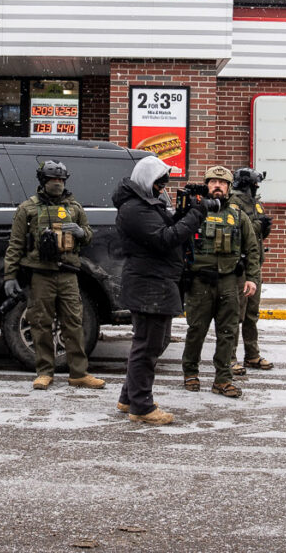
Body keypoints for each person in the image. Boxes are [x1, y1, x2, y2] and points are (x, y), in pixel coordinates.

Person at [112, 155, 210, 425]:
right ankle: (141, 407)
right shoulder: (133, 209)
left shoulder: (145, 205)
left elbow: (166, 227)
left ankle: (128, 397)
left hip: (157, 283)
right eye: (159, 184)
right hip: (148, 285)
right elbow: (165, 239)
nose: (162, 189)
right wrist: (195, 215)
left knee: (156, 342)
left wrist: (182, 214)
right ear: (146, 181)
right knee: (147, 346)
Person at [3, 160, 105, 391]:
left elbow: (88, 235)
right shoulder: (27, 209)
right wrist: (10, 276)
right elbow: (15, 244)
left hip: (68, 274)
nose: (57, 183)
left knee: (74, 323)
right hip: (41, 274)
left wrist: (80, 232)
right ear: (43, 181)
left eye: (60, 180)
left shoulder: (74, 207)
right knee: (40, 323)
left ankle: (78, 372)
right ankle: (44, 371)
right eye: (52, 179)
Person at [181, 166, 261, 398]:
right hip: (199, 281)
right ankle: (190, 372)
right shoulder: (194, 212)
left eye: (222, 182)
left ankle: (223, 379)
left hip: (228, 281)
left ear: (228, 188)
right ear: (206, 185)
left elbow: (252, 249)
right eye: (213, 182)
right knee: (196, 330)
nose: (217, 186)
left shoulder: (238, 216)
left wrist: (252, 279)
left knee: (228, 331)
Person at [228, 168, 274, 375]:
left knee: (251, 314)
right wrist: (258, 224)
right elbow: (239, 230)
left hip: (254, 265)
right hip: (239, 267)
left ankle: (252, 354)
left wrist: (265, 226)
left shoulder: (255, 202)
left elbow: (259, 232)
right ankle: (229, 357)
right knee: (236, 314)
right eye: (254, 184)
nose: (256, 188)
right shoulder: (234, 202)